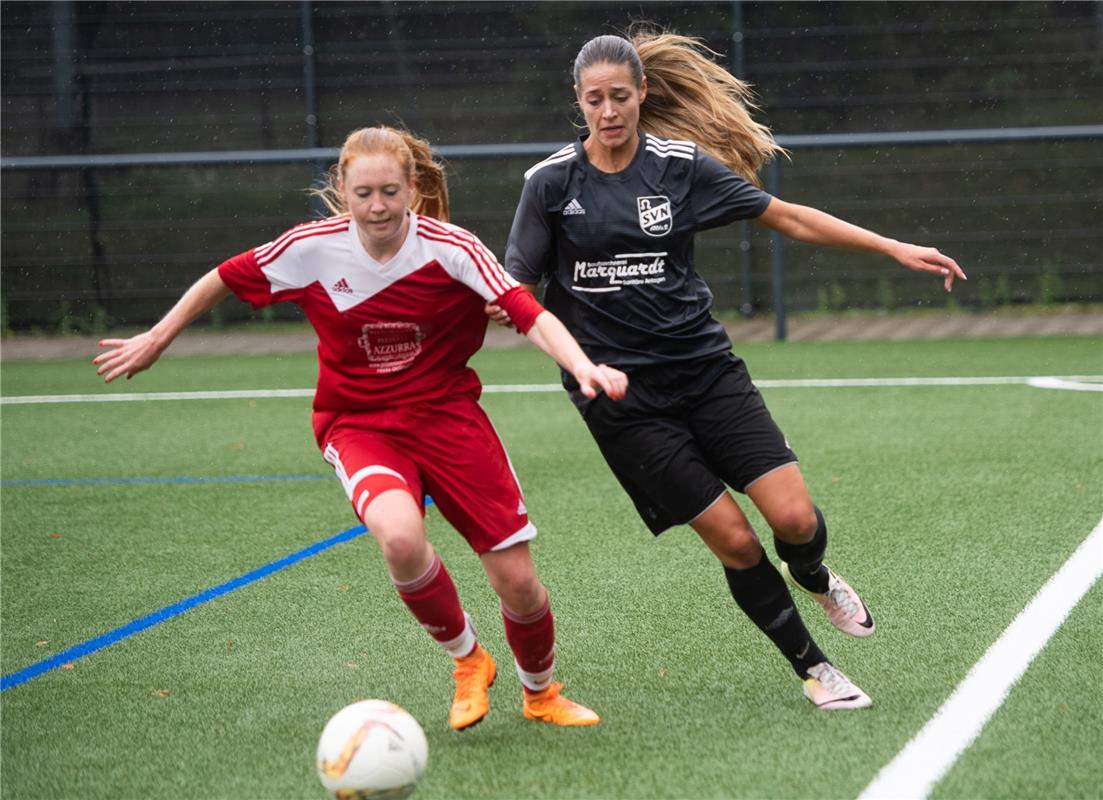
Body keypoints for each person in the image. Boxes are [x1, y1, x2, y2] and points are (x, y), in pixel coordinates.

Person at [489, 29, 966, 711]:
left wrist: (891, 246)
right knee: (736, 540)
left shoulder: (680, 166)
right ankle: (813, 667)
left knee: (794, 520)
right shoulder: (549, 184)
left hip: (707, 372)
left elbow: (790, 219)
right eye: (593, 100)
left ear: (641, 93)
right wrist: (557, 351)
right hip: (621, 401)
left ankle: (812, 573)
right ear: (578, 101)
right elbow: (516, 292)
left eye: (619, 97)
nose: (608, 111)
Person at [94, 125, 628, 730]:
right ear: (342, 190)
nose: (378, 206)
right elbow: (224, 276)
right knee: (400, 538)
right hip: (359, 424)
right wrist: (157, 338)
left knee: (519, 582)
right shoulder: (311, 248)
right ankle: (468, 661)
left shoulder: (451, 247)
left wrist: (583, 366)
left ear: (412, 190)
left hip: (449, 416)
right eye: (364, 193)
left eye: (391, 192)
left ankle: (540, 694)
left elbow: (529, 313)